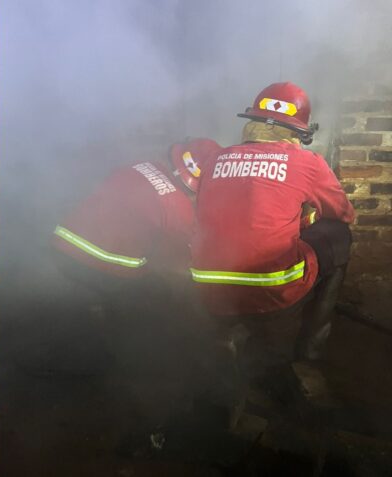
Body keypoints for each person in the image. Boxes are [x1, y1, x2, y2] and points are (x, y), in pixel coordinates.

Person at [190, 82, 355, 424]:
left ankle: (230, 331)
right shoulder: (306, 161)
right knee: (340, 235)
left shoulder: (217, 158)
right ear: (298, 131)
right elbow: (342, 214)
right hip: (272, 288)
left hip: (208, 286)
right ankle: (307, 353)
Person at [52, 138, 222, 301]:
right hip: (104, 270)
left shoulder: (145, 165)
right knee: (161, 294)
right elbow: (175, 268)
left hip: (62, 246)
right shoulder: (179, 208)